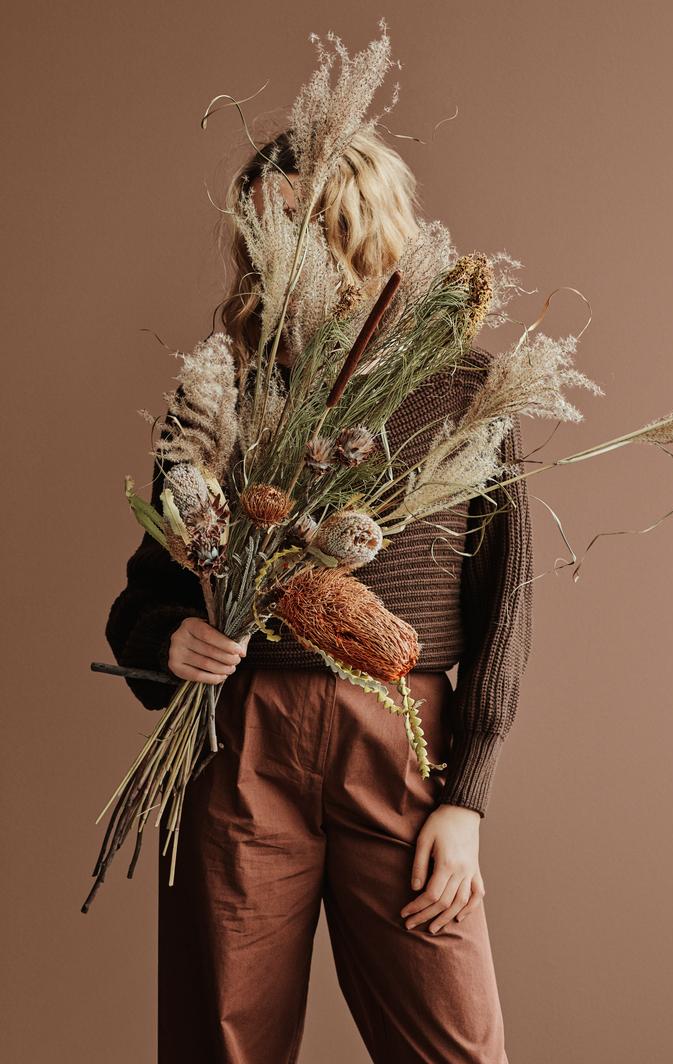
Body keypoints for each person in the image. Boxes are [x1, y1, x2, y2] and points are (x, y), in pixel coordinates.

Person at [105, 127, 534, 1063]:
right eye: (262, 227)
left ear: (362, 220)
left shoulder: (466, 388)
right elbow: (146, 590)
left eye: (305, 222)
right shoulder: (223, 386)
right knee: (222, 1040)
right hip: (240, 737)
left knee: (455, 1046)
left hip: (400, 739)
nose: (280, 250)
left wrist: (467, 800)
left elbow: (505, 604)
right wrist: (168, 639)